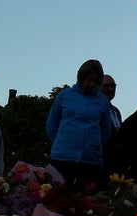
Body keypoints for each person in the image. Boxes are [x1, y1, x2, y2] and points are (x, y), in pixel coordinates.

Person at [45, 59, 112, 188]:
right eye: (89, 80)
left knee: (86, 203)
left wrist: (93, 145)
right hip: (62, 158)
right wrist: (62, 143)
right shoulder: (65, 95)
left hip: (90, 160)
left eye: (95, 81)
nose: (91, 84)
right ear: (81, 77)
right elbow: (52, 124)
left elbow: (105, 131)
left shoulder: (102, 101)